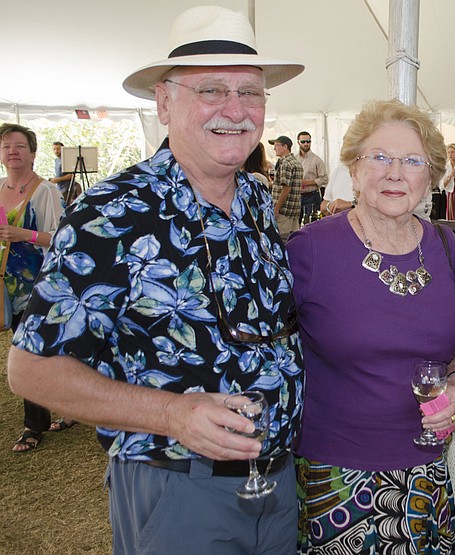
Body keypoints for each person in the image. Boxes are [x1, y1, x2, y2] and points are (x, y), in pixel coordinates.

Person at [7, 6, 307, 553]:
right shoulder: (113, 213)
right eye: (212, 90)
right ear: (164, 102)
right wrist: (171, 413)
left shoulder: (258, 200)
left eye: (251, 93)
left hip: (277, 482)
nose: (236, 111)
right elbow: (30, 370)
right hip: (177, 488)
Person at [287, 99, 455, 553]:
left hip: (428, 473)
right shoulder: (309, 249)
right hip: (337, 478)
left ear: (430, 176)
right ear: (353, 167)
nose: (395, 173)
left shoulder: (446, 246)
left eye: (412, 161)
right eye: (379, 157)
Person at [1, 124, 65, 452]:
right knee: (44, 350)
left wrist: (23, 234)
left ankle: (34, 425)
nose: (12, 152)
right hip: (7, 288)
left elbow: (61, 239)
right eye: (6, 146)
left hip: (40, 286)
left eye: (19, 146)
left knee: (30, 353)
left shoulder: (45, 192)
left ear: (33, 153)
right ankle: (71, 406)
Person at [268, 134, 303, 237]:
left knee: (281, 241)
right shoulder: (296, 162)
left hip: (284, 212)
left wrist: (276, 209)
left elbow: (286, 188)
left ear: (285, 146)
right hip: (294, 212)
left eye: (277, 145)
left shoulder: (285, 163)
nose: (274, 148)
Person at [296, 131, 328, 224]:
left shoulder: (317, 160)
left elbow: (325, 179)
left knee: (310, 223)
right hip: (296, 196)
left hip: (311, 196)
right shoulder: (294, 159)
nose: (306, 144)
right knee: (295, 223)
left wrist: (307, 183)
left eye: (308, 141)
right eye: (303, 142)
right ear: (298, 142)